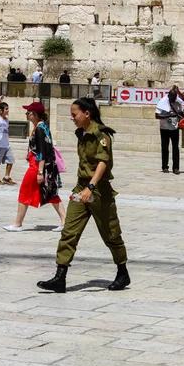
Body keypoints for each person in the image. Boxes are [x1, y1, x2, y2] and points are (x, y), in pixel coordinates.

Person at [37, 97, 130, 293]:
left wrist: (91, 187)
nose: (72, 118)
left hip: (99, 191)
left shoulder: (102, 136)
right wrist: (84, 188)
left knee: (111, 233)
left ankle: (122, 272)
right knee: (69, 232)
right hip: (81, 189)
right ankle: (60, 277)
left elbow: (103, 163)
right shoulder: (81, 133)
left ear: (86, 114)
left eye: (74, 114)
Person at [3, 101, 65, 232]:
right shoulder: (41, 127)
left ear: (35, 114)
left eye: (28, 112)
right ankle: (65, 221)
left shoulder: (40, 129)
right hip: (43, 167)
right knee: (51, 193)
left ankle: (17, 223)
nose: (26, 114)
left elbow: (41, 151)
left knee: (25, 192)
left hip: (37, 167)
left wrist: (40, 172)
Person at [155, 89, 184, 175]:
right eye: (172, 98)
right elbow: (157, 115)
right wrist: (168, 115)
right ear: (169, 96)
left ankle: (176, 168)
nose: (173, 99)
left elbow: (181, 110)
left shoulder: (177, 102)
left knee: (175, 148)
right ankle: (165, 166)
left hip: (174, 127)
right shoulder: (162, 102)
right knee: (165, 148)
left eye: (174, 97)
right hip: (164, 128)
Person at [0, 102, 16, 185]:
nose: (7, 111)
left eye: (7, 109)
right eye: (6, 109)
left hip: (6, 144)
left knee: (10, 159)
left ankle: (6, 177)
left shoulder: (6, 120)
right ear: (0, 110)